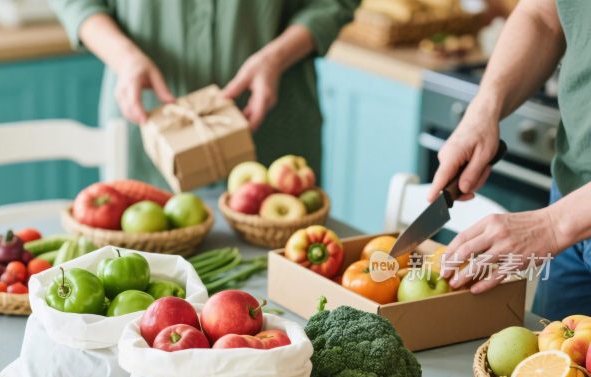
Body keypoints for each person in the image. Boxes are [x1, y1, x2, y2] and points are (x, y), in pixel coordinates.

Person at [49, 1, 359, 188]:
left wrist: (276, 57)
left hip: (271, 131)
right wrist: (124, 57)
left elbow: (332, 2)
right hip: (149, 132)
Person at [428, 0, 591, 319]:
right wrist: (483, 110)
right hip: (568, 194)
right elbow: (544, 16)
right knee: (547, 362)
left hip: (561, 221)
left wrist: (554, 225)